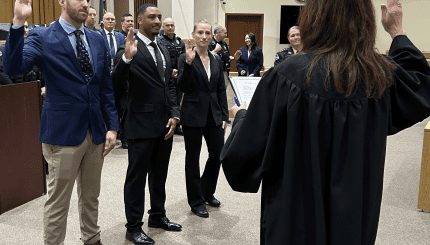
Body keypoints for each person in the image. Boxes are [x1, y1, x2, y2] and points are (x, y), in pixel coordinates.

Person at [220, 0, 430, 244]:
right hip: (353, 222)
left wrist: (243, 115)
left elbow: (241, 159)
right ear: (366, 20)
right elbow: (421, 89)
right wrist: (396, 30)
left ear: (314, 19)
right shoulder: (377, 75)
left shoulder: (287, 75)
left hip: (293, 222)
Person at [3, 0, 119, 244]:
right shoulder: (43, 36)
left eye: (88, 0)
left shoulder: (96, 39)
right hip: (62, 133)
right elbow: (13, 67)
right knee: (58, 201)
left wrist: (113, 126)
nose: (86, 4)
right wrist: (18, 22)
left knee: (90, 196)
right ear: (62, 2)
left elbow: (105, 88)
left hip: (95, 132)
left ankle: (92, 238)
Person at [111, 4, 182, 245]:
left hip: (165, 124)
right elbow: (115, 83)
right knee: (137, 178)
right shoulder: (128, 47)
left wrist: (175, 113)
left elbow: (169, 85)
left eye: (159, 17)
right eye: (152, 17)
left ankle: (157, 216)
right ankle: (133, 228)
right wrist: (126, 59)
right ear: (139, 21)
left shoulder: (162, 47)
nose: (157, 21)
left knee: (159, 176)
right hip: (140, 123)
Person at [177, 19, 228, 218]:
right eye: (200, 33)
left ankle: (206, 192)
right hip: (192, 115)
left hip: (214, 115)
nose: (205, 36)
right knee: (193, 159)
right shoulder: (185, 58)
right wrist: (189, 63)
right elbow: (182, 86)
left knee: (217, 154)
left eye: (207, 33)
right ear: (194, 35)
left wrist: (224, 116)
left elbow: (221, 89)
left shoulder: (216, 60)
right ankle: (196, 201)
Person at [157, 17, 185, 135]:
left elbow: (183, 59)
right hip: (165, 77)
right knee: (166, 100)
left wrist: (180, 71)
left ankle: (177, 124)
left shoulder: (179, 41)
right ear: (163, 27)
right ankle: (165, 123)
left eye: (172, 25)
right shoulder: (159, 41)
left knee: (177, 100)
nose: (170, 28)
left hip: (178, 76)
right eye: (167, 25)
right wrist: (169, 71)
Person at [208, 26, 240, 119]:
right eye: (225, 33)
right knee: (214, 94)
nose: (226, 35)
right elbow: (205, 57)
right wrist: (215, 50)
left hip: (224, 72)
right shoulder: (210, 43)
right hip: (213, 73)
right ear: (218, 33)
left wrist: (234, 58)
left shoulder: (224, 44)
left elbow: (226, 57)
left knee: (222, 95)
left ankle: (223, 116)